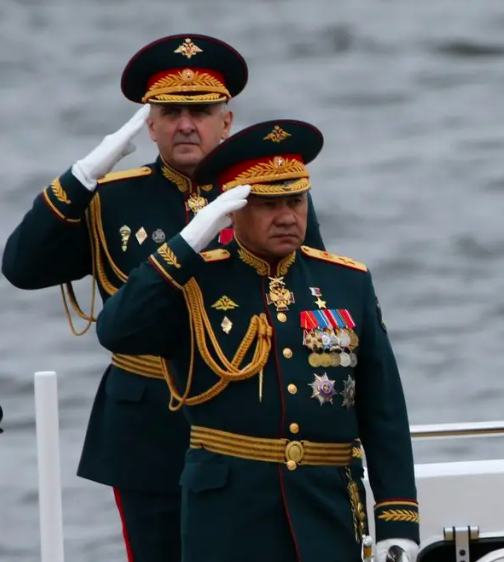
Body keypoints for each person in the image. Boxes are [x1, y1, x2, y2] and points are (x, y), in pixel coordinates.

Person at [0, 34, 333, 561]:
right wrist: (84, 175)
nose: (186, 124)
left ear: (227, 121)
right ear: (149, 125)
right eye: (171, 112)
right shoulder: (113, 198)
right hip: (148, 426)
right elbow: (22, 267)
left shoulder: (265, 197)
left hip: (245, 419)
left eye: (200, 111)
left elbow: (310, 300)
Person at [94, 119, 419, 562]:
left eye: (295, 200)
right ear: (234, 210)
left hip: (325, 513)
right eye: (268, 204)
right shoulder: (195, 281)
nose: (287, 216)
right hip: (229, 519)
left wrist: (397, 523)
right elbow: (116, 330)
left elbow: (384, 411)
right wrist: (187, 243)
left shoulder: (346, 281)